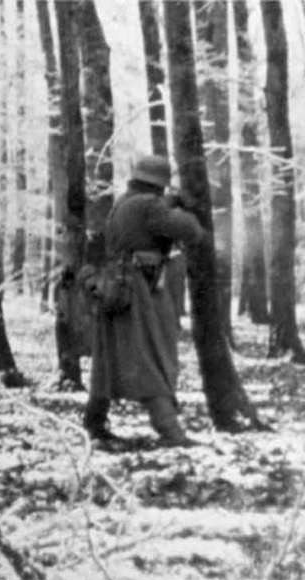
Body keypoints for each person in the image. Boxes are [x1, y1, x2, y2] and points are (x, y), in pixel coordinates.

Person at [81, 155, 206, 449]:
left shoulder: (123, 203)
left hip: (116, 286)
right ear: (158, 185)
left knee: (108, 359)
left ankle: (94, 421)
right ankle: (169, 429)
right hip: (137, 290)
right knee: (151, 355)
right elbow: (190, 231)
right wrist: (187, 210)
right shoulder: (150, 206)